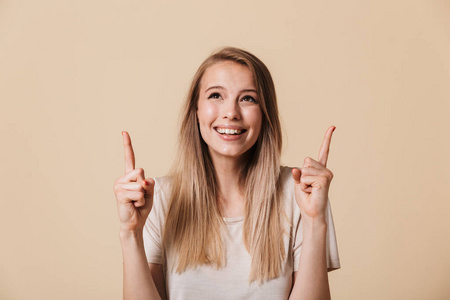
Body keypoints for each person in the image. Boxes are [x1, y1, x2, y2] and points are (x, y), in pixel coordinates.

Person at [114, 47, 340, 300]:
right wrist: (130, 232)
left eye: (248, 98)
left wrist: (315, 221)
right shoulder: (159, 197)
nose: (231, 112)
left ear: (265, 115)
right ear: (196, 110)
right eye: (216, 95)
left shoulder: (300, 193)